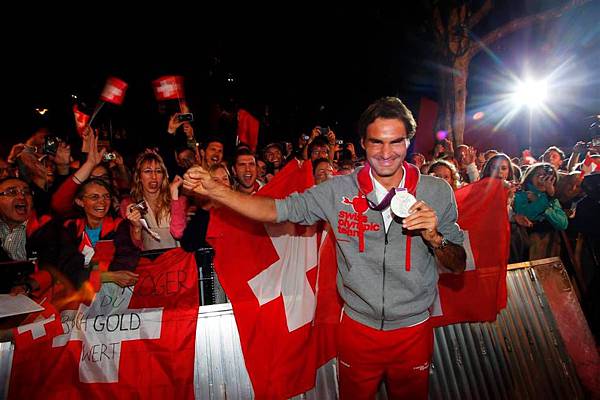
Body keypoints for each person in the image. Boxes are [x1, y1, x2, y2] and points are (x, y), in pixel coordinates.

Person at [184, 96, 466, 399]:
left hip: (413, 330)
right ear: (362, 143)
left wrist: (435, 237)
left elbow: (458, 263)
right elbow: (276, 210)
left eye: (395, 142)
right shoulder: (338, 191)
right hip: (358, 329)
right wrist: (218, 192)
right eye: (376, 143)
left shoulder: (436, 191)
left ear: (408, 142)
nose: (386, 153)